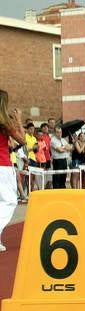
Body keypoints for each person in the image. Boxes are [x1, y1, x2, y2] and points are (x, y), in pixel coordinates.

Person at [0, 90, 26, 252]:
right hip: (2, 165)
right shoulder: (5, 123)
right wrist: (18, 120)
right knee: (10, 201)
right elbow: (23, 141)